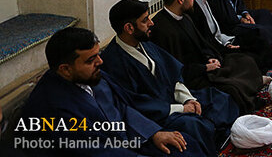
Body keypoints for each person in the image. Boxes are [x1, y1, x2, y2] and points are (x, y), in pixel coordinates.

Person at [20, 27, 202, 157]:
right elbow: (92, 150)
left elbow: (122, 108)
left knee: (184, 143)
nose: (100, 62)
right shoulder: (52, 108)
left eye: (98, 54)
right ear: (65, 69)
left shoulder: (92, 77)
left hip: (130, 142)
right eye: (91, 59)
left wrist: (153, 134)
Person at [103, 0, 239, 157]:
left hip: (172, 98)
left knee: (220, 97)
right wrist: (181, 108)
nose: (151, 23)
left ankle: (213, 135)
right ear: (129, 28)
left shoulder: (144, 43)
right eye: (145, 20)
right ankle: (212, 137)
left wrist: (188, 99)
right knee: (193, 124)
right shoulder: (113, 62)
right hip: (157, 115)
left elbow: (173, 73)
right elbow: (134, 104)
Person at [150, 0, 266, 114]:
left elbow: (202, 43)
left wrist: (209, 56)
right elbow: (174, 70)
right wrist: (204, 67)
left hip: (203, 65)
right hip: (192, 77)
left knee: (244, 61)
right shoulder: (162, 30)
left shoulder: (185, 17)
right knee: (231, 87)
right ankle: (249, 100)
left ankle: (251, 86)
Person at [192, 0, 272, 73]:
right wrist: (226, 46)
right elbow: (206, 40)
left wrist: (226, 42)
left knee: (260, 38)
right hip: (217, 50)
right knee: (251, 57)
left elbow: (216, 31)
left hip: (224, 41)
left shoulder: (206, 0)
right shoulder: (195, 9)